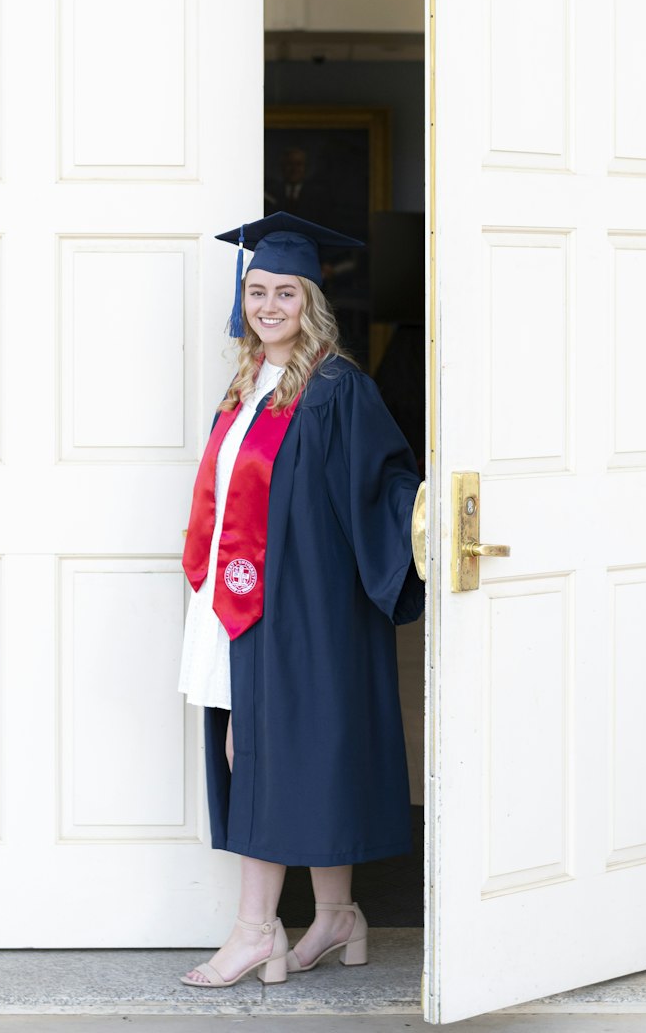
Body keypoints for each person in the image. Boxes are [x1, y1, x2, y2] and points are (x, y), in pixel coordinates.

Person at [177, 211, 425, 989]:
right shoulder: (249, 382)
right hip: (243, 597)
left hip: (305, 608)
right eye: (258, 291)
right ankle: (338, 915)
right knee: (293, 750)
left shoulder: (334, 387)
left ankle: (256, 931)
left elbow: (385, 479)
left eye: (287, 292)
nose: (270, 306)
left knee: (273, 752)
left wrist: (420, 522)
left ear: (313, 301)